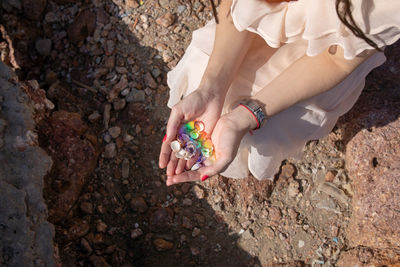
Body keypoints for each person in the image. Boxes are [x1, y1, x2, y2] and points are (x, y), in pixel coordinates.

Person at [159, 0, 400, 186]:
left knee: (261, 134)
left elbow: (337, 61)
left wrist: (244, 117)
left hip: (329, 49)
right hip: (261, 20)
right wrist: (212, 87)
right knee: (209, 88)